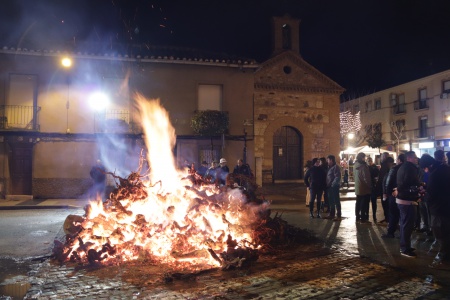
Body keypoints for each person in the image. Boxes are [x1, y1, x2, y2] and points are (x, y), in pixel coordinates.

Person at [423, 152, 450, 267]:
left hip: (438, 208)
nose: (425, 171)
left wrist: (423, 195)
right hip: (446, 206)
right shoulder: (445, 168)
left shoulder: (435, 174)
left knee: (440, 232)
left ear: (429, 166)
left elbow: (432, 194)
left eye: (425, 168)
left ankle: (443, 257)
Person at [395, 151, 421, 258]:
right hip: (407, 200)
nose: (416, 159)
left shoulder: (402, 167)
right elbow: (407, 182)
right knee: (407, 225)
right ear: (410, 158)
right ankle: (405, 248)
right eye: (415, 157)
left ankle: (406, 246)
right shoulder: (410, 168)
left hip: (402, 199)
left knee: (404, 224)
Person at [382, 154, 405, 238]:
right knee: (402, 215)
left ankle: (391, 232)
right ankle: (403, 233)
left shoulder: (394, 169)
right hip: (404, 195)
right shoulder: (409, 169)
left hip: (394, 194)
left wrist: (388, 193)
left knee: (393, 213)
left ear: (399, 160)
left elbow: (388, 182)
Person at [353, 152, 372, 224]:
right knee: (364, 203)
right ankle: (363, 219)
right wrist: (370, 186)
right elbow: (366, 178)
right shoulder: (364, 166)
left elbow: (354, 176)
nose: (365, 159)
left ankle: (357, 217)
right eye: (364, 157)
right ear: (362, 158)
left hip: (358, 187)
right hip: (364, 188)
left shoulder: (355, 165)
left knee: (358, 202)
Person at [324, 155, 342, 221]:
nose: (327, 161)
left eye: (328, 160)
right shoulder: (330, 167)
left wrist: (332, 184)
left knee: (336, 200)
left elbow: (337, 177)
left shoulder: (336, 167)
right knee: (331, 201)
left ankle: (339, 215)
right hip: (329, 187)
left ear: (331, 160)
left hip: (334, 187)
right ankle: (332, 214)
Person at [376, 152, 391, 224]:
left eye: (382, 156)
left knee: (385, 203)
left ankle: (387, 219)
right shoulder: (388, 164)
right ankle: (387, 218)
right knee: (386, 203)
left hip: (384, 188)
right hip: (386, 187)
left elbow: (383, 178)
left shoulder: (385, 165)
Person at [367, 156, 380, 222]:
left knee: (373, 202)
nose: (369, 162)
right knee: (368, 202)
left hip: (372, 186)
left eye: (370, 160)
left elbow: (377, 174)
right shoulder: (368, 167)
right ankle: (369, 216)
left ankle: (374, 215)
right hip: (370, 187)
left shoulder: (372, 167)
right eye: (368, 160)